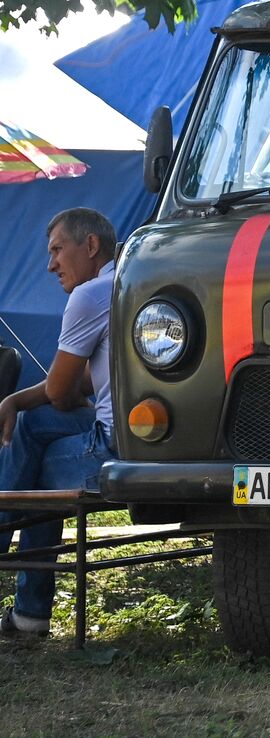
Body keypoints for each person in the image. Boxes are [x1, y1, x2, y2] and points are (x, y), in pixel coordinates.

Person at [0, 208, 118, 638]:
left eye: (56, 250)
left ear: (90, 246)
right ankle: (28, 613)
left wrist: (35, 398)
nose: (50, 265)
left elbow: (60, 392)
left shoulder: (89, 295)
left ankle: (29, 611)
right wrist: (16, 399)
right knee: (31, 426)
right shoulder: (130, 283)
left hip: (116, 448)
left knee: (35, 459)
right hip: (151, 433)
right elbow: (85, 380)